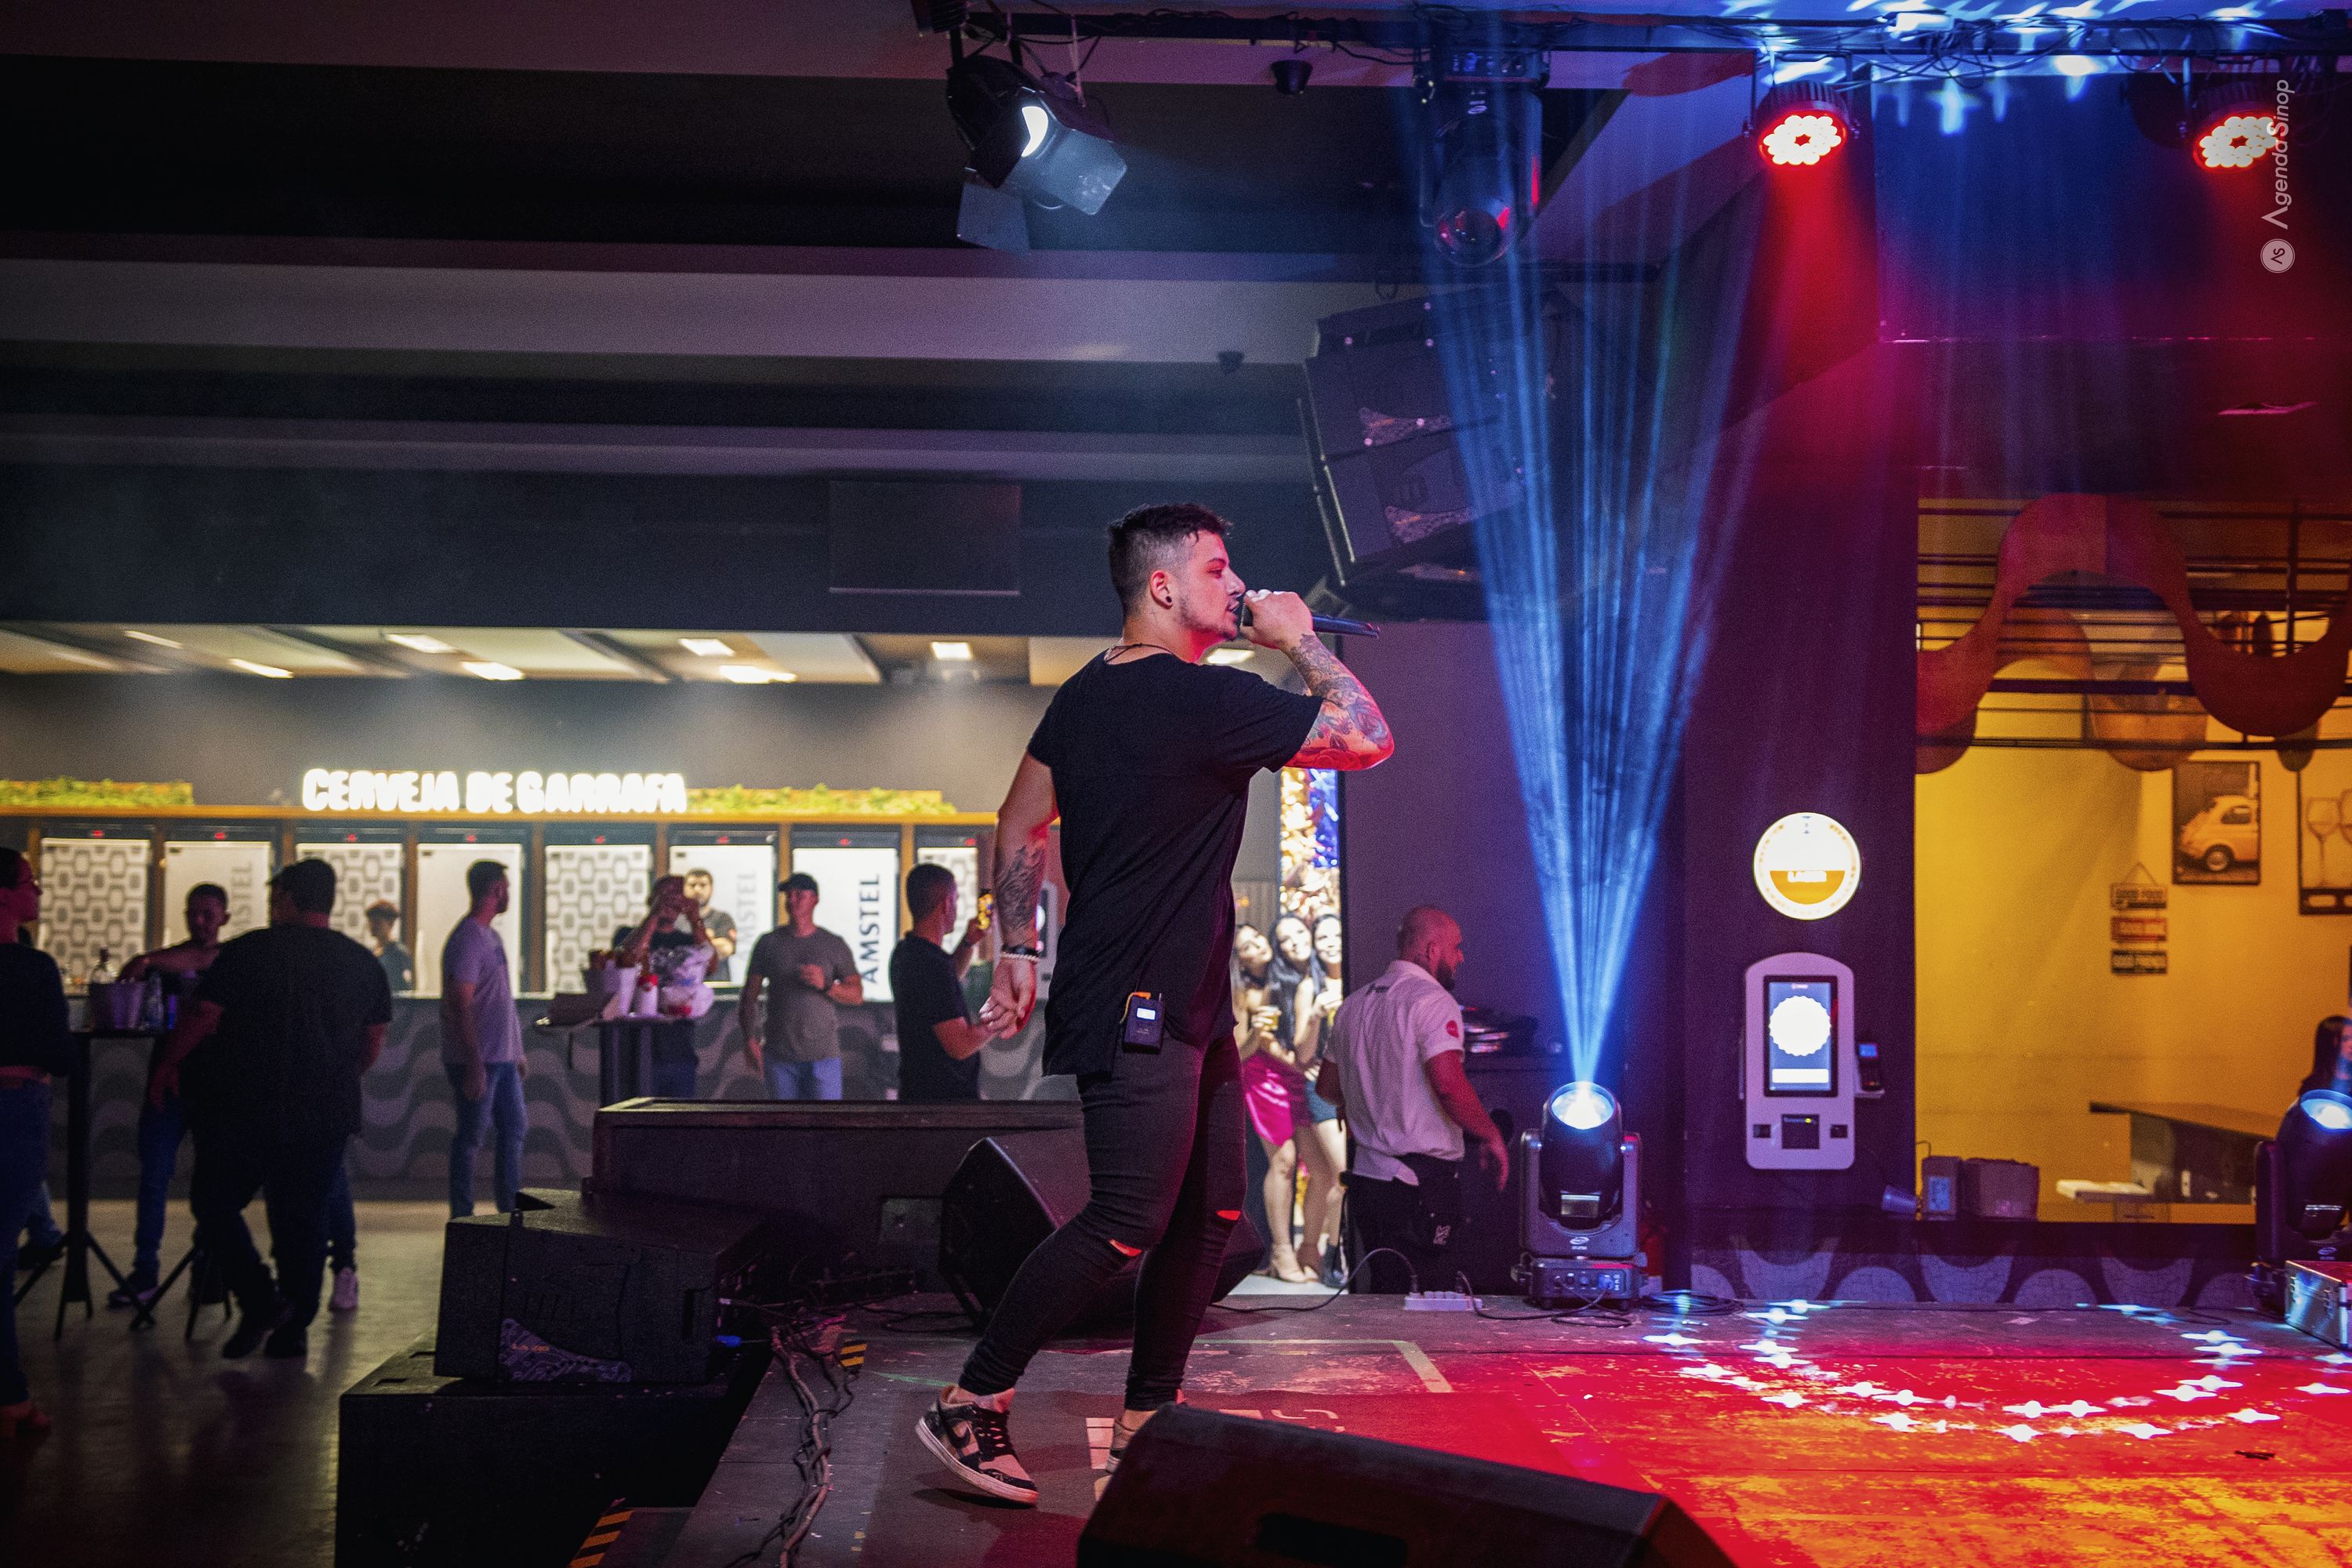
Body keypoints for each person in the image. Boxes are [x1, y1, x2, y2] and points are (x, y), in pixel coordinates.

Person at [916, 501, 1392, 1506]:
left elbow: (1018, 819)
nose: (1239, 583)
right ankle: (971, 1399)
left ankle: (1149, 1419)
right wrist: (1300, 640)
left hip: (1183, 1001)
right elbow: (1366, 737)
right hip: (1139, 998)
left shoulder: (1088, 691)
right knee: (1128, 1216)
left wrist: (1017, 947)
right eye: (1219, 568)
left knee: (1211, 1209)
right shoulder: (1202, 696)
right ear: (1165, 587)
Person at [148, 859, 389, 1360]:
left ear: (285, 899)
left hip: (247, 1106)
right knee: (303, 1219)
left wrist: (167, 1066)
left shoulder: (247, 951)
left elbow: (202, 1016)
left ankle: (259, 1298)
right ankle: (292, 1329)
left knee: (214, 1202)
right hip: (326, 1112)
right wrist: (335, 1078)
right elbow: (372, 1044)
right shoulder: (362, 963)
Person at [1314, 906, 1509, 1296]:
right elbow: (1448, 1084)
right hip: (1420, 1186)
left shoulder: (1353, 1005)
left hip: (1369, 1183)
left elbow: (1328, 1088)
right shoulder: (1433, 1000)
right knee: (1428, 1298)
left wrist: (1367, 1097)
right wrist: (1491, 1134)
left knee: (1385, 1295)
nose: (1461, 958)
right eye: (1456, 948)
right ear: (1432, 950)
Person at [107, 882, 228, 1306]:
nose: (199, 921)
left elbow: (204, 961)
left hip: (209, 1085)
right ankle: (146, 1270)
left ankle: (205, 1268)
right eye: (193, 913)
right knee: (154, 1176)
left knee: (211, 1183)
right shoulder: (165, 965)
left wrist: (146, 959)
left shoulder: (223, 962)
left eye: (207, 914)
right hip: (171, 1081)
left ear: (225, 918)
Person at [1, 848, 67, 1436]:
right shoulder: (34, 968)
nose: (38, 891)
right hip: (17, 1106)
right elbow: (59, 1054)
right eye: (29, 881)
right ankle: (10, 1398)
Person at [442, 861, 526, 1216]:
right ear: (496, 890)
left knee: (514, 1130)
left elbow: (501, 999)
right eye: (506, 887)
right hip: (480, 1060)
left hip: (501, 1058)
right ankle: (462, 1215)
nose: (509, 894)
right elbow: (459, 1004)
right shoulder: (468, 940)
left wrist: (516, 1050)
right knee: (471, 1138)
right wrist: (474, 1063)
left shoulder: (491, 937)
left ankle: (508, 1209)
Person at [1237, 922, 1319, 1283]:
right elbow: (1239, 1052)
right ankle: (1281, 1252)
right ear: (1240, 960)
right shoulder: (1244, 991)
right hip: (1263, 1078)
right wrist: (1258, 1034)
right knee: (1283, 1160)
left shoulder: (1287, 975)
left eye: (1258, 938)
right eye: (1247, 946)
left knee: (1310, 1164)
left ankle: (1302, 1249)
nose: (1258, 946)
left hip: (1293, 1075)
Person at [739, 873, 862, 1101]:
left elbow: (857, 995)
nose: (792, 900)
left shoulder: (833, 944)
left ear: (815, 899)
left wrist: (826, 985)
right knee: (783, 1122)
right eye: (789, 895)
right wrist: (749, 1039)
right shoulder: (768, 943)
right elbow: (749, 995)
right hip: (779, 1056)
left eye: (799, 894)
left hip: (824, 1056)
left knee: (826, 1121)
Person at [890, 864, 991, 1104]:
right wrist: (1001, 1019)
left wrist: (968, 942)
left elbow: (941, 989)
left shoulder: (905, 953)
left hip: (917, 1091)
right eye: (956, 900)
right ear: (946, 904)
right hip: (945, 1102)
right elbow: (959, 1045)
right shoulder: (932, 965)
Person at [614, 875, 715, 1098]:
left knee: (680, 1114)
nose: (672, 900)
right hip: (639, 1046)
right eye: (666, 894)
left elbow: (711, 964)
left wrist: (695, 918)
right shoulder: (626, 934)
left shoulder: (687, 940)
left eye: (678, 894)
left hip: (680, 1045)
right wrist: (654, 916)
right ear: (651, 899)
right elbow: (626, 958)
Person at [681, 868, 739, 984]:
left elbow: (726, 949)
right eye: (692, 885)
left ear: (711, 889)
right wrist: (709, 939)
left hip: (716, 987)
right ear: (684, 889)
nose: (697, 890)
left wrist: (686, 945)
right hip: (683, 987)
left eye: (703, 885)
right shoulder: (675, 920)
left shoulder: (723, 919)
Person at [365, 902, 412, 996]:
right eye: (370, 921)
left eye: (377, 922)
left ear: (390, 923)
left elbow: (405, 987)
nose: (372, 926)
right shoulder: (370, 952)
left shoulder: (399, 953)